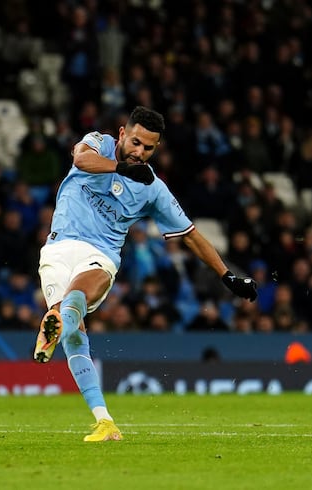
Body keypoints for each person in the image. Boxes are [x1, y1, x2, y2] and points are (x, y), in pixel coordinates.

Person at [33, 106, 257, 442]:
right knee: (74, 332)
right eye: (136, 142)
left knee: (75, 300)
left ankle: (60, 316)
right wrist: (122, 169)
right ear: (122, 134)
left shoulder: (153, 187)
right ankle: (104, 421)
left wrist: (226, 276)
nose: (140, 152)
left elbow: (191, 236)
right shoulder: (99, 144)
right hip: (57, 250)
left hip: (99, 256)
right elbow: (81, 160)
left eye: (148, 148)